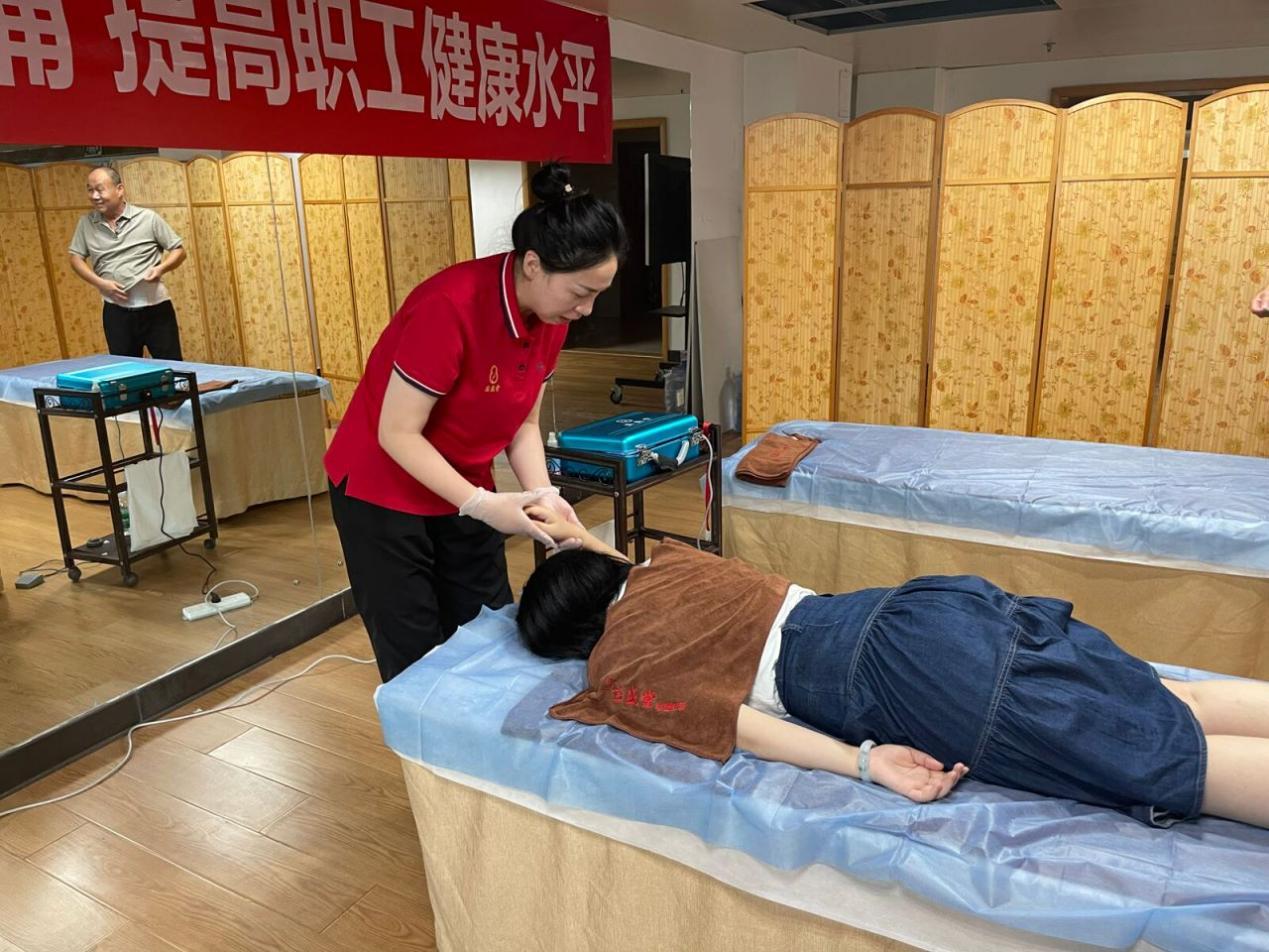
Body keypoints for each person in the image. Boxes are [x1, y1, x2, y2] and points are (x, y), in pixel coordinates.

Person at [516, 506, 1269, 829]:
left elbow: (740, 726)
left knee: (1173, 763)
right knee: (1169, 699)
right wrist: (580, 538)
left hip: (912, 677)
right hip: (926, 608)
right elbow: (617, 569)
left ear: (573, 640)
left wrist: (864, 762)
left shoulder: (620, 667)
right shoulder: (668, 563)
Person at [325, 162, 628, 682]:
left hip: (465, 481)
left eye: (597, 294)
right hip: (383, 490)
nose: (587, 310)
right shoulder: (450, 306)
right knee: (416, 654)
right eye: (580, 293)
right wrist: (482, 505)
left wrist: (543, 493)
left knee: (488, 628)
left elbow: (522, 425)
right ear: (533, 264)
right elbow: (396, 432)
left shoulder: (551, 317)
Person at [68, 164, 187, 359]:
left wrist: (161, 269)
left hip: (156, 309)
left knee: (172, 367)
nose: (95, 196)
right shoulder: (86, 223)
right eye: (90, 190)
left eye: (100, 189)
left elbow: (179, 251)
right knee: (126, 370)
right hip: (116, 313)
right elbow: (75, 259)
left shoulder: (147, 218)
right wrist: (100, 283)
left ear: (119, 189)